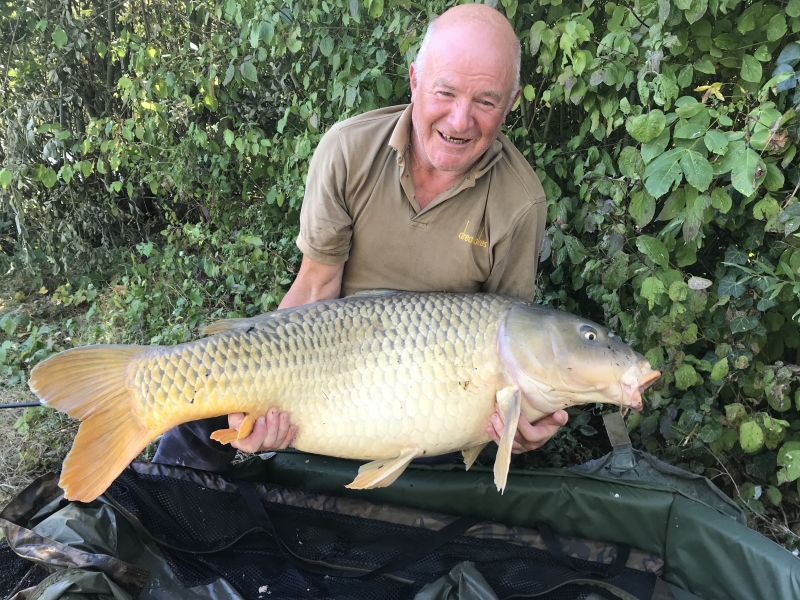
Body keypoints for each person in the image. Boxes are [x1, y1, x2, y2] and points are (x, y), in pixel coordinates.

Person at [152, 4, 567, 473]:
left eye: (486, 102)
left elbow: (508, 341)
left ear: (509, 104)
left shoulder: (520, 201)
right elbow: (314, 288)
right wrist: (259, 408)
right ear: (414, 82)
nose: (459, 121)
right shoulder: (348, 150)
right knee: (196, 427)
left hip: (433, 406)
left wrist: (522, 424)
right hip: (325, 370)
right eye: (445, 92)